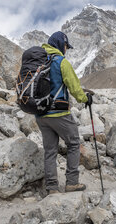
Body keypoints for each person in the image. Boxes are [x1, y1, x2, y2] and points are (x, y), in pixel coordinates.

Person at [38, 31, 90, 195]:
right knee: (74, 143)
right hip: (59, 112)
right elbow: (74, 88)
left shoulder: (38, 61)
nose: (66, 49)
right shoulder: (61, 62)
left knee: (50, 150)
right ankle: (72, 183)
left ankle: (52, 187)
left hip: (40, 114)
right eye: (66, 46)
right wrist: (85, 99)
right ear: (61, 44)